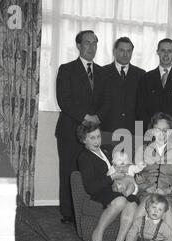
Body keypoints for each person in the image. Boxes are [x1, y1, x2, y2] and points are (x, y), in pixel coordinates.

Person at [55, 30, 104, 224]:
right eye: (87, 43)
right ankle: (68, 213)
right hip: (69, 131)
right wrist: (86, 117)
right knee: (69, 171)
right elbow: (63, 100)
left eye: (95, 43)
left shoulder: (102, 72)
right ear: (78, 45)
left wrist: (98, 117)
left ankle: (85, 213)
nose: (91, 47)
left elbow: (107, 100)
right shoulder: (66, 69)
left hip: (94, 133)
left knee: (89, 173)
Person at [76, 122, 138, 241]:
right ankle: (97, 233)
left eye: (98, 136)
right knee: (121, 200)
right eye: (92, 138)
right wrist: (111, 178)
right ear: (83, 139)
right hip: (101, 190)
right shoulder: (84, 157)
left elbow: (123, 162)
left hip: (118, 186)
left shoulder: (107, 150)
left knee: (132, 202)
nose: (97, 141)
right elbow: (90, 187)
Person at [132, 112, 172, 241]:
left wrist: (167, 191)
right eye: (157, 129)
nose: (161, 134)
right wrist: (146, 186)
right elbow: (137, 175)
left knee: (167, 209)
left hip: (167, 193)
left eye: (165, 130)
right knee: (144, 206)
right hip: (147, 192)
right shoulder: (142, 150)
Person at [136, 38, 172, 130]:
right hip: (150, 132)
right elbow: (140, 108)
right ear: (157, 52)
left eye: (169, 51)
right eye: (163, 50)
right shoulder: (146, 78)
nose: (166, 54)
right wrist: (151, 128)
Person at [99, 37, 146, 134]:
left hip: (134, 130)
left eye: (129, 51)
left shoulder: (141, 74)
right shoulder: (102, 73)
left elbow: (143, 106)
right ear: (114, 51)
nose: (125, 54)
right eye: (122, 50)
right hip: (108, 128)